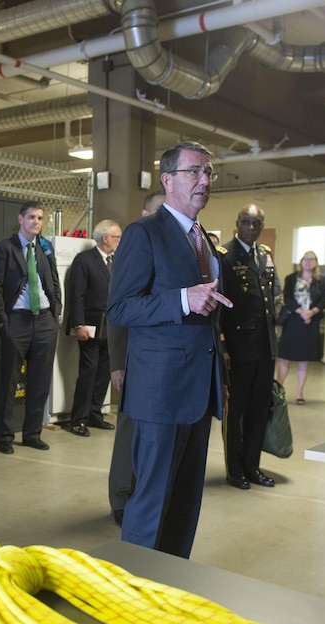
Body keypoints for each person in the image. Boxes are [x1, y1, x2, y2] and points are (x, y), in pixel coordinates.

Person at [107, 141, 231, 558]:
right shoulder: (144, 234)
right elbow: (121, 307)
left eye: (209, 172)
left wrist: (221, 380)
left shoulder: (204, 242)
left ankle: (169, 591)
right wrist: (183, 299)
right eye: (194, 172)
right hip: (160, 395)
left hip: (199, 392)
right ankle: (131, 601)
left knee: (183, 506)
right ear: (168, 179)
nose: (204, 181)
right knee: (150, 507)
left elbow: (207, 322)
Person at [107, 193, 165, 524]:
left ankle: (144, 496)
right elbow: (117, 312)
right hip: (132, 357)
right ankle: (120, 497)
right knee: (129, 429)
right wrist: (118, 362)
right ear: (145, 213)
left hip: (159, 359)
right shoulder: (135, 245)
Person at [0, 201, 62, 454]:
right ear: (21, 219)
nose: (36, 222)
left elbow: (54, 282)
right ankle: (5, 437)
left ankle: (32, 434)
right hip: (16, 321)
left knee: (39, 382)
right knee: (8, 382)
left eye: (40, 218)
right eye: (31, 217)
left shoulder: (45, 248)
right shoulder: (5, 249)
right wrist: (2, 321)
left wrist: (55, 314)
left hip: (44, 321)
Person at [218, 203, 280, 489]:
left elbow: (273, 297)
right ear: (237, 223)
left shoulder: (265, 256)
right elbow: (221, 308)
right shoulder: (226, 256)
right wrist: (224, 348)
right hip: (240, 348)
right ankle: (235, 470)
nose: (251, 228)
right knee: (237, 413)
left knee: (258, 410)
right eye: (246, 222)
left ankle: (253, 466)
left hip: (266, 348)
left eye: (256, 223)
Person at [64, 219, 121, 436]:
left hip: (112, 326)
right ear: (105, 238)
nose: (119, 241)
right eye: (117, 237)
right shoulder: (85, 260)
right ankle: (78, 419)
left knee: (104, 373)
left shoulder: (115, 261)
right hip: (90, 324)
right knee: (88, 372)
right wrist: (79, 324)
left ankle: (95, 415)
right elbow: (76, 295)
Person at [276, 250, 325, 404]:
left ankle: (299, 394)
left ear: (316, 263)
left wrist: (310, 313)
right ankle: (278, 390)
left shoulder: (320, 280)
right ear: (301, 261)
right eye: (306, 258)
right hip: (292, 321)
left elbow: (323, 300)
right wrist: (302, 313)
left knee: (304, 359)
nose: (308, 261)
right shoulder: (291, 279)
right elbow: (288, 298)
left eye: (312, 259)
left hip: (310, 323)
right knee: (285, 357)